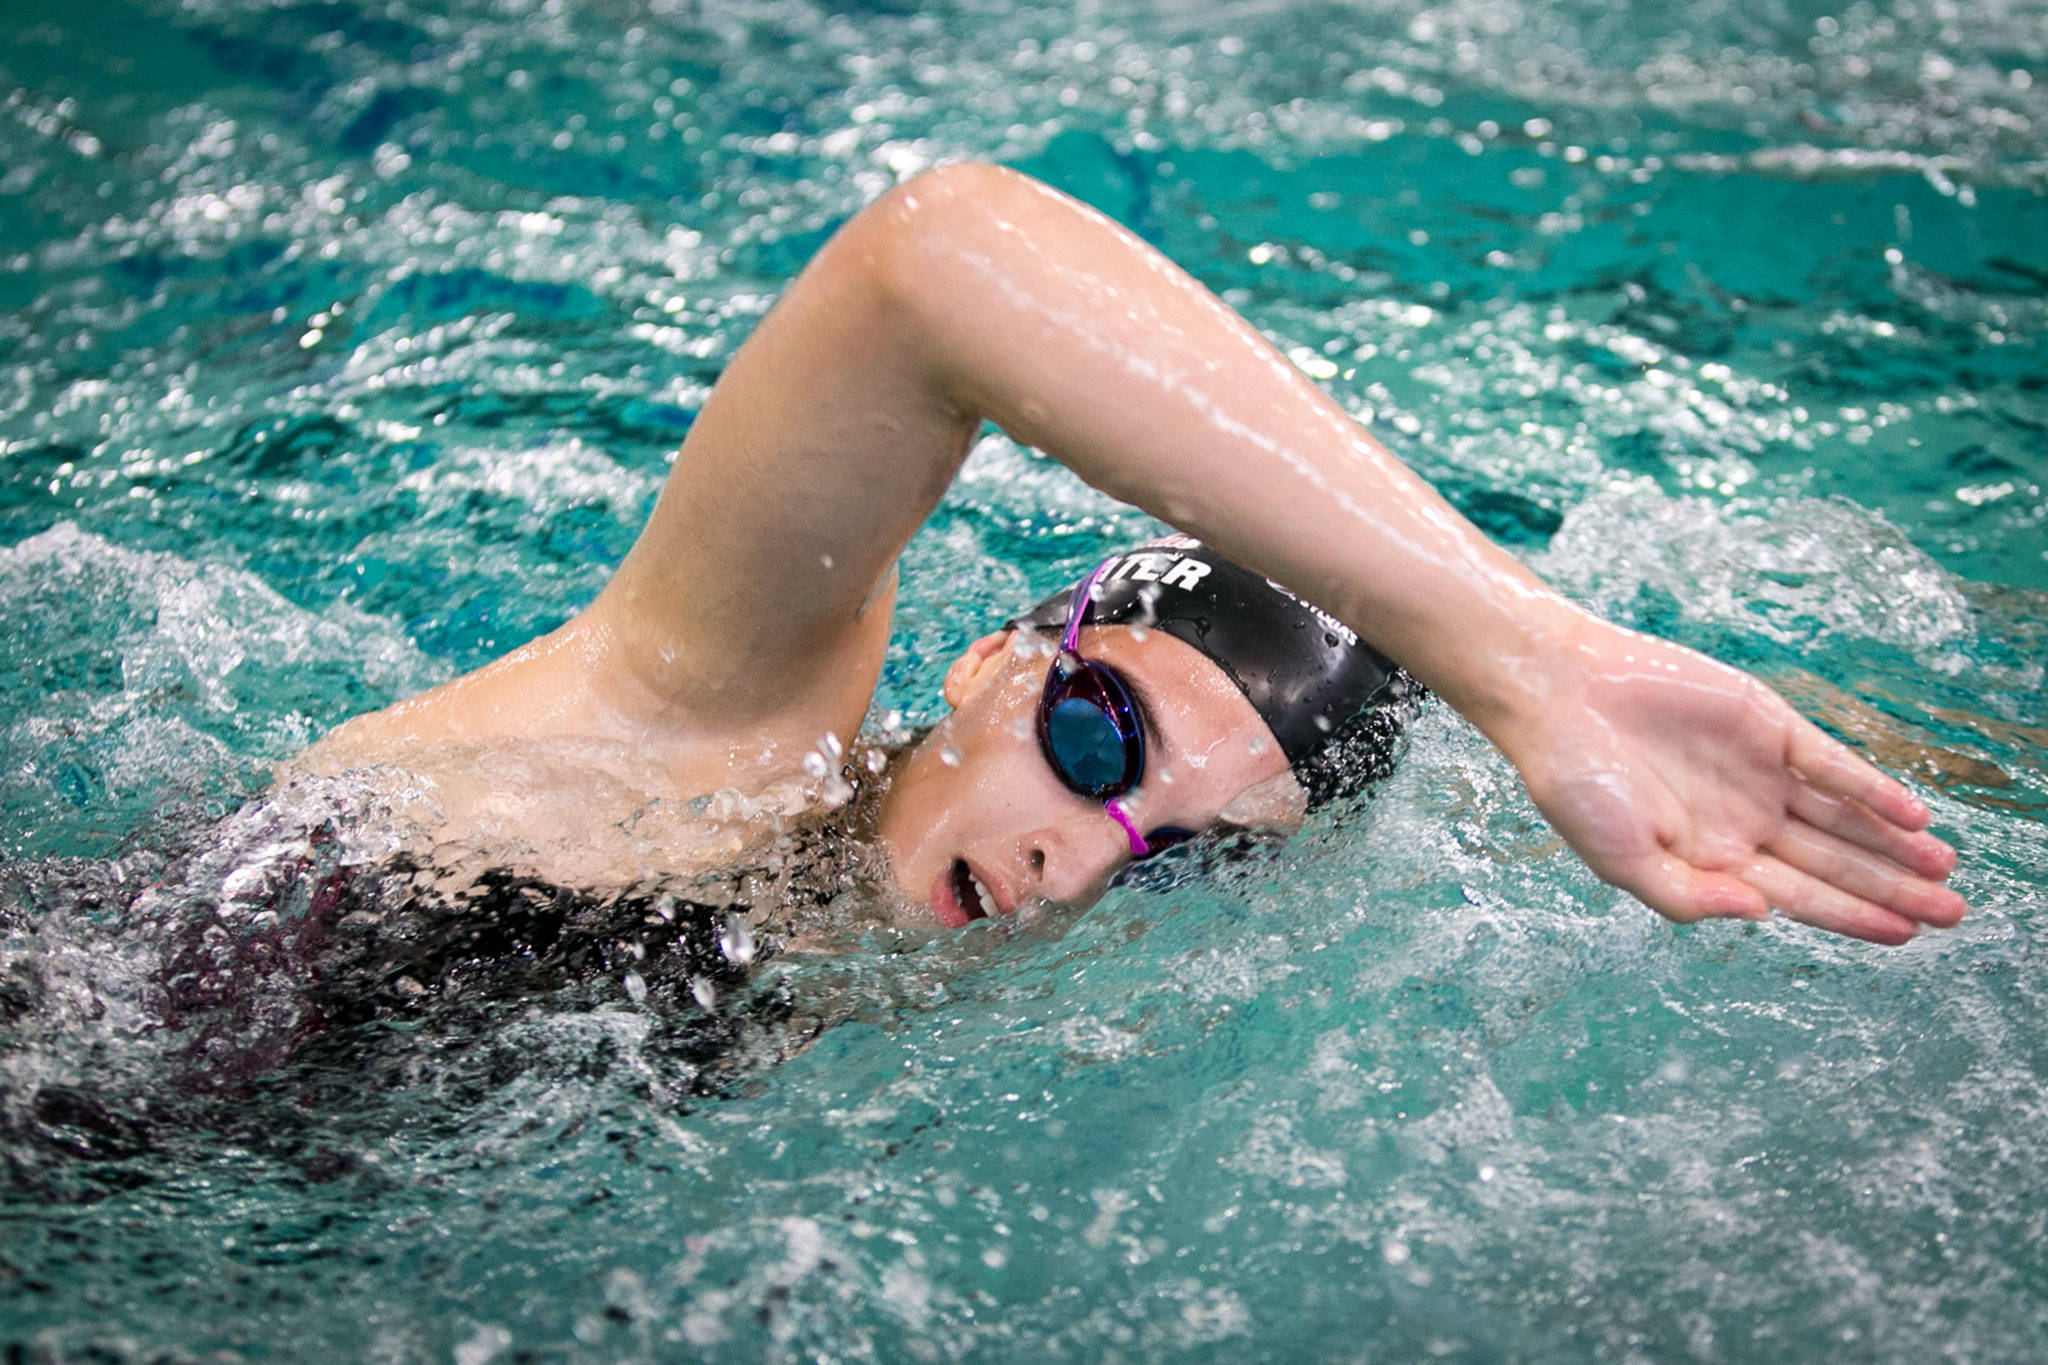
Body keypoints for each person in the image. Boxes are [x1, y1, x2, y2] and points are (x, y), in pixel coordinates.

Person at [298, 162, 1966, 946]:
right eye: (1102, 738)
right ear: (997, 662)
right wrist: (1534, 660)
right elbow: (931, 262)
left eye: (1182, 852)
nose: (1082, 865)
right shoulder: (706, 723)